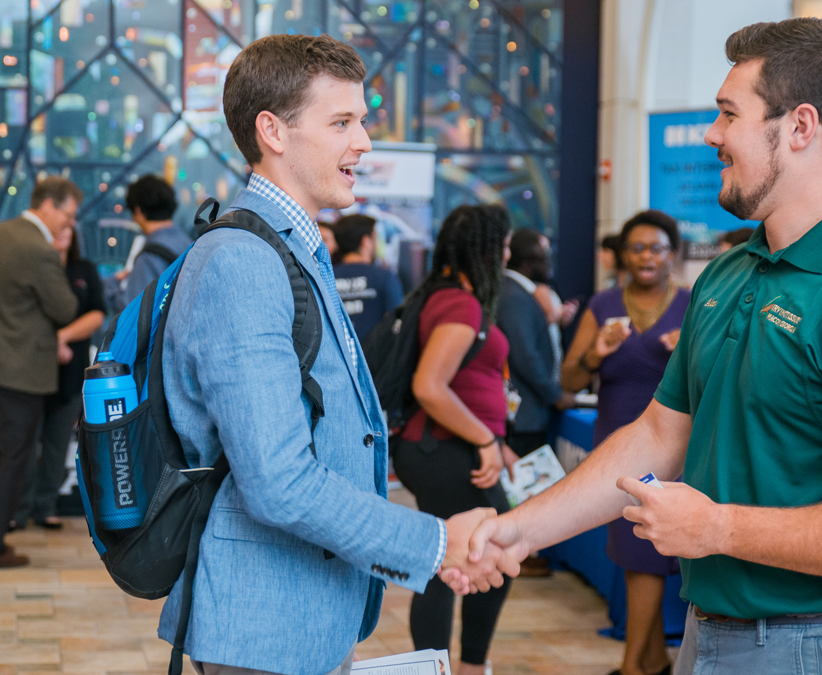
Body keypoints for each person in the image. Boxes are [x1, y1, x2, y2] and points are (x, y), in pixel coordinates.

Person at [445, 18, 822, 675]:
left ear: (801, 127)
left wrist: (719, 528)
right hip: (711, 634)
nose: (711, 135)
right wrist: (520, 529)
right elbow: (662, 434)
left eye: (728, 114)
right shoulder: (728, 274)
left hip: (818, 646)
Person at [156, 35, 515, 675]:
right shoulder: (243, 263)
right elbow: (278, 482)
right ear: (273, 131)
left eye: (362, 122)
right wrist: (436, 544)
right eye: (342, 122)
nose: (364, 143)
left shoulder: (290, 249)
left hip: (302, 616)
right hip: (262, 629)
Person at [560, 210, 689, 675]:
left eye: (655, 248)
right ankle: (651, 659)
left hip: (675, 450)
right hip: (616, 447)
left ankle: (635, 665)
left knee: (650, 553)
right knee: (635, 552)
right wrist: (598, 353)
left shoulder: (693, 304)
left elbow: (722, 384)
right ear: (623, 255)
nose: (646, 257)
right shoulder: (603, 304)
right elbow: (568, 381)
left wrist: (689, 356)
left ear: (671, 254)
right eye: (636, 248)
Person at [390, 204, 515, 675]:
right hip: (443, 449)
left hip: (441, 447)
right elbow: (430, 386)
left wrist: (493, 439)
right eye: (502, 244)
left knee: (447, 563)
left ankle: (449, 667)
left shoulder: (442, 295)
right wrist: (485, 439)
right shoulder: (460, 304)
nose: (507, 253)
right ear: (485, 248)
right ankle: (464, 666)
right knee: (482, 555)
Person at [0, 177, 81, 569]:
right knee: (14, 457)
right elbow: (65, 309)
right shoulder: (39, 249)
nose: (69, 225)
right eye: (68, 215)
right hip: (20, 368)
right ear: (47, 205)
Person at [13, 224, 105, 531]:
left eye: (68, 227)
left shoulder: (84, 269)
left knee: (56, 444)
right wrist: (49, 343)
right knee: (24, 445)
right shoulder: (32, 268)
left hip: (69, 371)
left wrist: (60, 338)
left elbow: (96, 314)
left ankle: (46, 506)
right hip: (30, 371)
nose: (63, 232)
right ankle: (18, 508)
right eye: (57, 227)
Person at [497, 228, 576, 458]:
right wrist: (555, 395)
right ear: (529, 261)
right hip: (524, 415)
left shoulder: (521, 292)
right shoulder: (514, 296)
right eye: (544, 255)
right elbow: (525, 355)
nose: (549, 263)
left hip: (527, 411)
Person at [104, 174, 191, 312]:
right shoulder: (189, 243)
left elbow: (132, 311)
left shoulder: (149, 258)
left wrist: (110, 286)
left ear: (137, 211)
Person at [331, 213, 404, 341]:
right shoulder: (385, 278)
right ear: (366, 242)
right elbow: (397, 324)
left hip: (335, 356)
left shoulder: (325, 278)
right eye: (376, 238)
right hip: (374, 358)